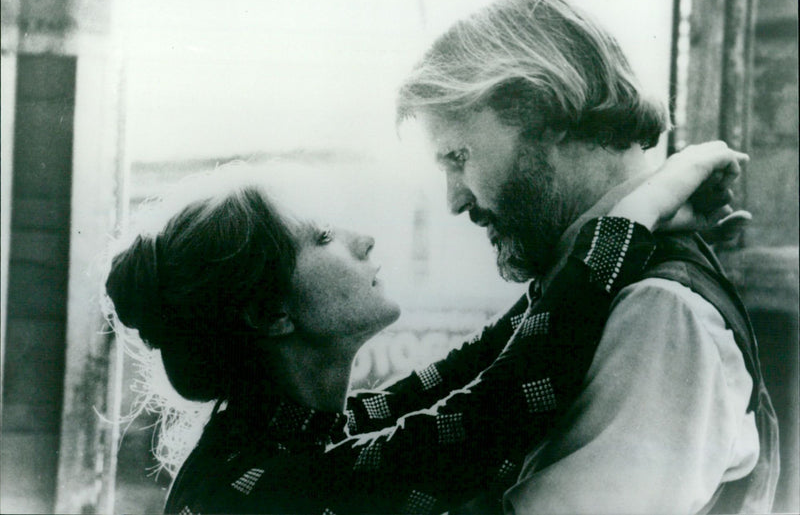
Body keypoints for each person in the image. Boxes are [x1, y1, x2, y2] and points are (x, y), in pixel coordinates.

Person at [104, 148, 741, 514]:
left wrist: (635, 221)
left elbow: (487, 360)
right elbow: (502, 399)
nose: (362, 239)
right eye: (321, 238)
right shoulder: (272, 486)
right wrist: (644, 205)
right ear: (272, 315)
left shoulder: (294, 434)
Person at [396, 0, 778, 515]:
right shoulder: (596, 289)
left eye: (459, 157)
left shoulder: (658, 309)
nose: (455, 200)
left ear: (543, 113)